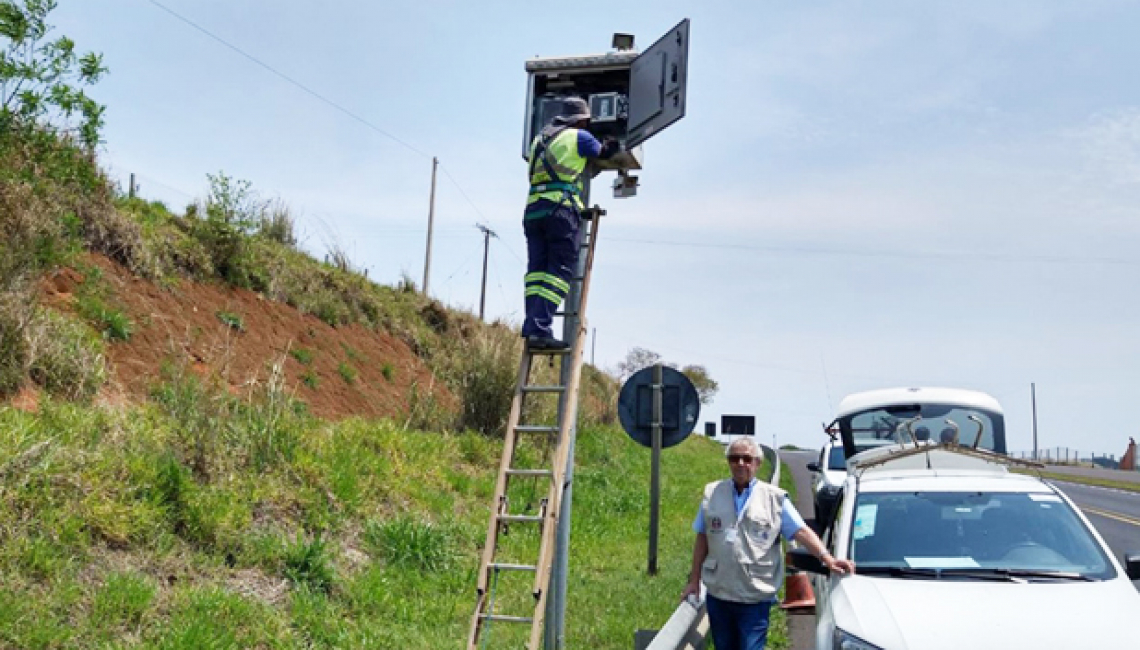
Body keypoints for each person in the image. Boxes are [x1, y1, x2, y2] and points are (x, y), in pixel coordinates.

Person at [682, 438, 855, 650]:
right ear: (728, 462)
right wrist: (694, 580)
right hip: (720, 595)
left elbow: (801, 531)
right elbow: (702, 538)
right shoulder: (713, 493)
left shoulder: (775, 498)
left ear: (757, 463)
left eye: (747, 458)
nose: (740, 464)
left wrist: (827, 559)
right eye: (734, 458)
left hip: (754, 597)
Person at [521, 96, 618, 350]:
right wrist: (612, 140)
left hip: (533, 211)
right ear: (583, 120)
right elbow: (604, 152)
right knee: (560, 270)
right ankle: (540, 329)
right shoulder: (580, 137)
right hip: (560, 211)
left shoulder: (538, 140)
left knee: (536, 273)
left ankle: (532, 326)